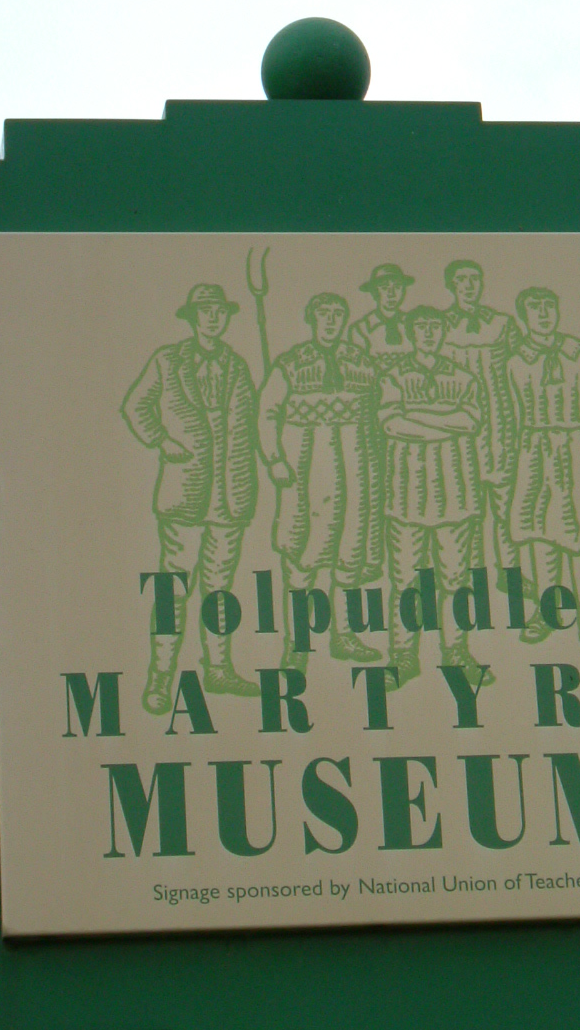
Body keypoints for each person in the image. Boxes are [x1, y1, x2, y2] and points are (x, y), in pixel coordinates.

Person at [121, 283, 259, 712]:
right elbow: (135, 406)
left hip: (230, 495)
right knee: (173, 590)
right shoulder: (168, 360)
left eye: (220, 311)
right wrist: (162, 441)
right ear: (192, 316)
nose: (213, 318)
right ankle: (161, 678)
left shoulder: (237, 365)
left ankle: (218, 670)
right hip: (185, 492)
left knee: (219, 590)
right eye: (206, 311)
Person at [258, 292, 383, 667]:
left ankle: (343, 636)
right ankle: (296, 644)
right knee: (301, 558)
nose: (330, 321)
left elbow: (380, 412)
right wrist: (275, 458)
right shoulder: (291, 364)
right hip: (307, 474)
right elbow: (267, 413)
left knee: (349, 556)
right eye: (323, 314)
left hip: (356, 472)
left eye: (337, 314)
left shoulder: (362, 363)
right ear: (312, 319)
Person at [507, 286, 580, 647]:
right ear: (523, 315)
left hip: (577, 453)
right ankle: (549, 612)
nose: (543, 314)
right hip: (534, 454)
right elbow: (509, 413)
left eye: (548, 306)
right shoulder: (516, 361)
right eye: (534, 308)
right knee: (541, 535)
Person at [379, 305, 486, 684]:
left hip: (455, 492)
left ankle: (456, 653)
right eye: (421, 327)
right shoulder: (393, 375)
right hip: (407, 494)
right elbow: (391, 422)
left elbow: (471, 421)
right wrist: (446, 421)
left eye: (434, 326)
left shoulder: (462, 376)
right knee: (405, 580)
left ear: (443, 331)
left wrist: (419, 416)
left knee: (456, 580)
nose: (428, 333)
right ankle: (404, 657)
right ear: (409, 332)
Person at [441, 259, 522, 589]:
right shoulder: (440, 326)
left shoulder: (503, 324)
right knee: (468, 510)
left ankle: (510, 576)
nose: (469, 285)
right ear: (452, 285)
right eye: (462, 280)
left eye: (475, 279)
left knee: (506, 508)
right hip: (461, 433)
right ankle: (472, 578)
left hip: (500, 426)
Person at [349, 262, 416, 369]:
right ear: (374, 292)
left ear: (403, 291)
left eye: (397, 287)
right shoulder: (361, 329)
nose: (391, 293)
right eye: (384, 288)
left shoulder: (414, 324)